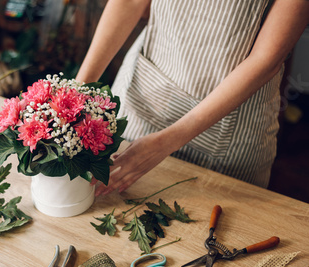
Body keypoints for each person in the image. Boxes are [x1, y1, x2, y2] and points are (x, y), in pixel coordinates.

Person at [75, 0, 309, 196]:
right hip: (142, 97)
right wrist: (76, 93)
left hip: (231, 135)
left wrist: (165, 143)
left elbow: (266, 59)